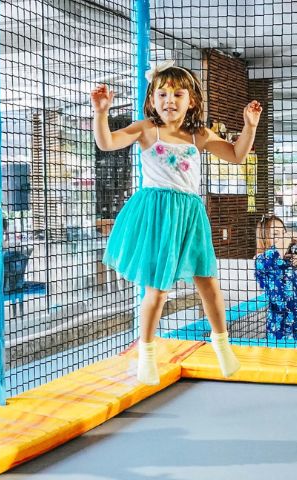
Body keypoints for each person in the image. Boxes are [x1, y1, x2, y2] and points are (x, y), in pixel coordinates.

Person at [91, 61, 263, 385]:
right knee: (157, 291)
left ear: (192, 100)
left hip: (190, 214)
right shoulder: (146, 129)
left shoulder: (198, 135)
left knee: (208, 282)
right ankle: (146, 351)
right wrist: (101, 113)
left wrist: (250, 126)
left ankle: (222, 343)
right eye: (162, 94)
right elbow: (107, 143)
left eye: (177, 94)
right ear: (152, 99)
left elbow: (237, 155)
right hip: (158, 213)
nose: (169, 100)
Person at [254, 214, 297, 341]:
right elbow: (272, 257)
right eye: (275, 234)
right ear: (264, 239)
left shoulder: (292, 260)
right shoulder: (261, 260)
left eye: (284, 232)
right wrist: (288, 237)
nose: (282, 237)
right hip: (280, 334)